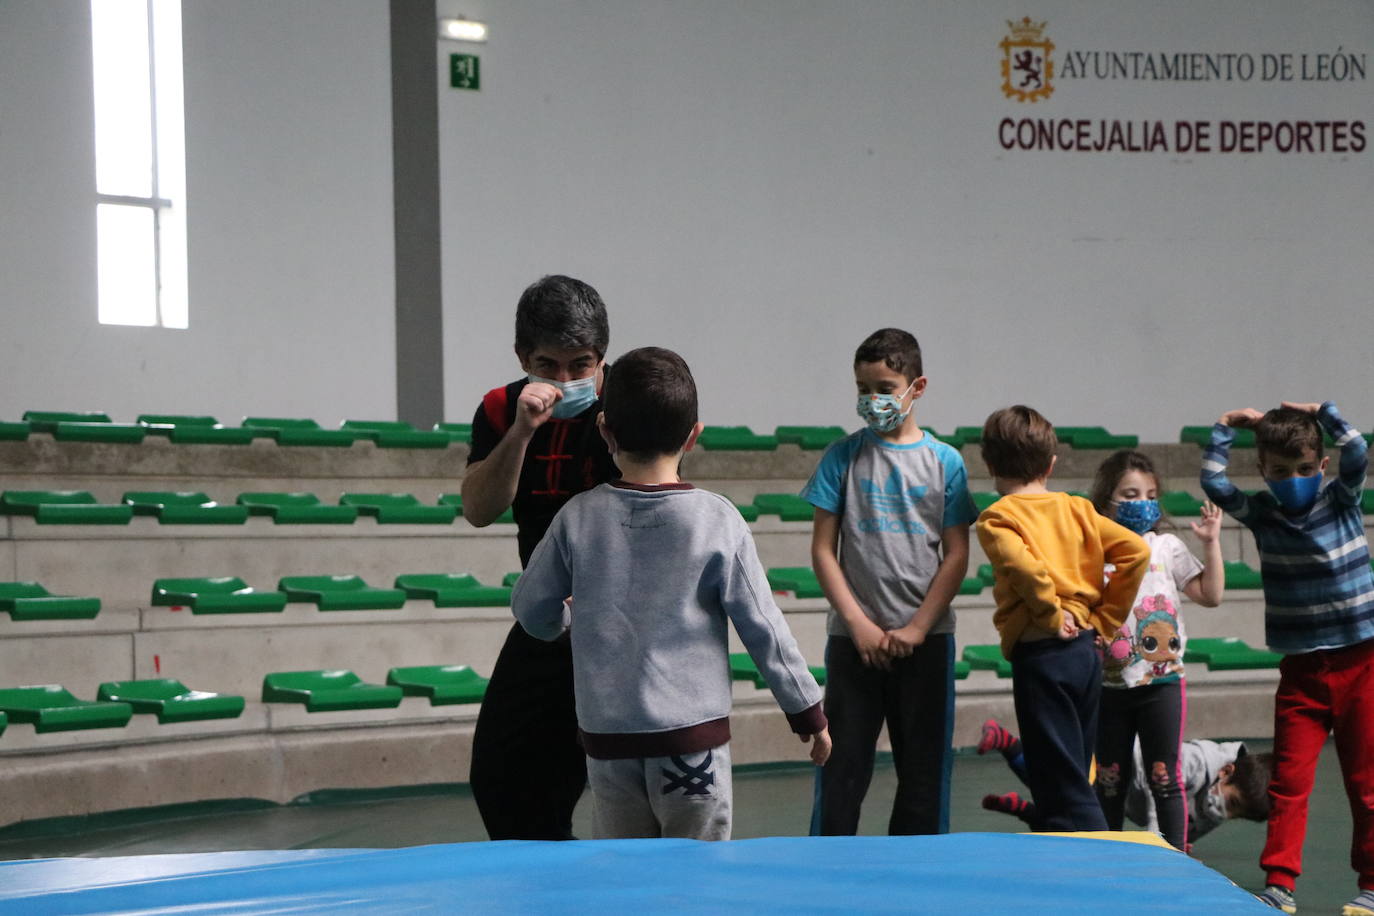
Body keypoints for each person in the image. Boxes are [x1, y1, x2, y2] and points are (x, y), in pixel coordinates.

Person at [511, 346, 830, 840]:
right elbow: (764, 627)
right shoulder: (717, 519)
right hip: (693, 747)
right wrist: (805, 708)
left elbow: (531, 610)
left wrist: (566, 621)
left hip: (608, 747)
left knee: (623, 878)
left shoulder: (577, 517)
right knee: (698, 880)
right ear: (693, 437)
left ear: (605, 431)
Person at [800, 328, 977, 836]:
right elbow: (822, 551)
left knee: (924, 780)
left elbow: (957, 552)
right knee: (841, 773)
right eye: (862, 388)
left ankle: (915, 884)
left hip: (926, 646)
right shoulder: (842, 457)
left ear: (916, 387)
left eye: (883, 387)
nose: (871, 400)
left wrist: (919, 628)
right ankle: (829, 876)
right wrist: (858, 625)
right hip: (854, 646)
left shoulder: (946, 462)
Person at [1201, 401, 1374, 915]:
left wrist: (1323, 411)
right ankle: (1279, 884)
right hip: (1301, 672)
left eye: (1303, 469)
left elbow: (1358, 448)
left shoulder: (1342, 499)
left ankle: (1371, 883)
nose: (1292, 479)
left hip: (1361, 664)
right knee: (1288, 783)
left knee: (1366, 784)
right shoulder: (1262, 513)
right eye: (1279, 472)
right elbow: (1214, 483)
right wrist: (1226, 428)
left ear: (1320, 467)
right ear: (1264, 473)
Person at [462, 275, 619, 840]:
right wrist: (523, 433)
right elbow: (479, 507)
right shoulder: (503, 408)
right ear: (523, 358)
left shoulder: (629, 402)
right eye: (548, 365)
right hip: (547, 617)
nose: (566, 380)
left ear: (603, 359)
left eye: (582, 365)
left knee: (615, 786)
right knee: (500, 776)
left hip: (621, 624)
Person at [974, 405, 1149, 832]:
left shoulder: (998, 518)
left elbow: (1027, 571)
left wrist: (1050, 616)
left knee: (1062, 779)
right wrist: (1105, 621)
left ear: (990, 463)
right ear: (1051, 464)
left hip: (1043, 653)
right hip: (1085, 653)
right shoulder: (1078, 510)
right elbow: (1137, 553)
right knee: (1072, 764)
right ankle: (1061, 854)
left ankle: (1099, 854)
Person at [1088, 450, 1224, 849]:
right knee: (1111, 779)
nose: (1141, 502)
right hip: (1108, 689)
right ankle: (1109, 860)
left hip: (1162, 686)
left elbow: (1211, 594)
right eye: (1129, 494)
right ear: (1107, 499)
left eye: (1149, 494)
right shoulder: (1095, 549)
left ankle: (1177, 862)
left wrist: (1212, 544)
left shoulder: (1166, 547)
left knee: (1165, 777)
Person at [977, 720, 1273, 848]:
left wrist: (1180, 844)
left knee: (1078, 825)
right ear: (1226, 772)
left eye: (1237, 814)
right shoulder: (1198, 761)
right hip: (1119, 767)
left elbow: (1187, 830)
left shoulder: (1219, 802)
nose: (1226, 812)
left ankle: (1025, 810)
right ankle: (1010, 747)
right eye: (1232, 803)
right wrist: (1159, 839)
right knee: (1068, 794)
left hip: (1128, 797)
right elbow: (1159, 781)